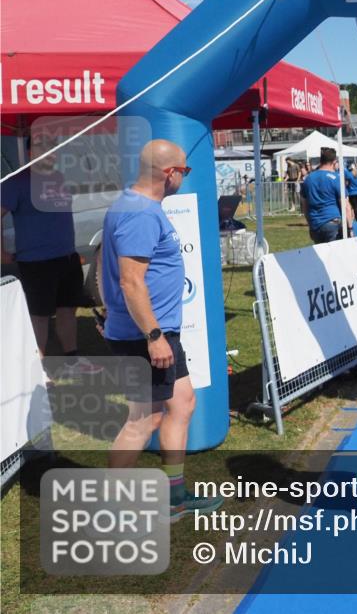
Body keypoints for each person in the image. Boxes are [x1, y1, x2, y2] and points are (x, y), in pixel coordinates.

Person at [101, 139, 222, 521]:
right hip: (147, 335)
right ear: (169, 174)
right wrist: (153, 337)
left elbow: (107, 266)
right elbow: (131, 281)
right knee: (144, 419)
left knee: (182, 403)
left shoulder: (137, 206)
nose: (185, 177)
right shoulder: (140, 214)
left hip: (155, 332)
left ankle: (174, 497)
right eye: (185, 171)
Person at [1, 135, 101, 377]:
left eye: (51, 148)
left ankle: (72, 361)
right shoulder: (16, 182)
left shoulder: (58, 178)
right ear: (29, 152)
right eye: (41, 147)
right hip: (36, 262)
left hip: (67, 257)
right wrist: (1, 253)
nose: (48, 152)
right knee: (39, 316)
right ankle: (39, 369)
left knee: (68, 310)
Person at [300, 147, 352, 243]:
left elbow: (304, 204)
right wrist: (350, 228)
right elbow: (346, 206)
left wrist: (310, 223)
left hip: (315, 224)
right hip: (332, 223)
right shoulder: (336, 178)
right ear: (334, 162)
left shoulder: (308, 178)